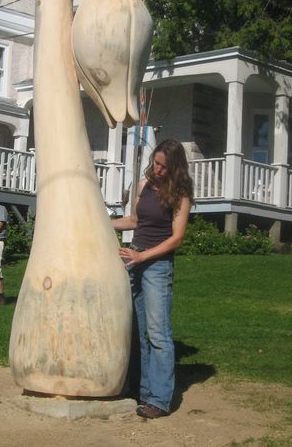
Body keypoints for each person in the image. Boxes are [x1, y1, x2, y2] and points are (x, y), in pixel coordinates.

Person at [112, 139, 193, 419]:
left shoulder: (181, 194)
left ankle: (159, 399)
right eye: (156, 163)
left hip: (156, 266)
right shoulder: (146, 184)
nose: (157, 169)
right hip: (134, 259)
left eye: (163, 166)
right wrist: (103, 220)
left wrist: (143, 257)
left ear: (175, 168)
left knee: (158, 334)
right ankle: (141, 390)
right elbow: (135, 220)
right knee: (136, 330)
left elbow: (177, 238)